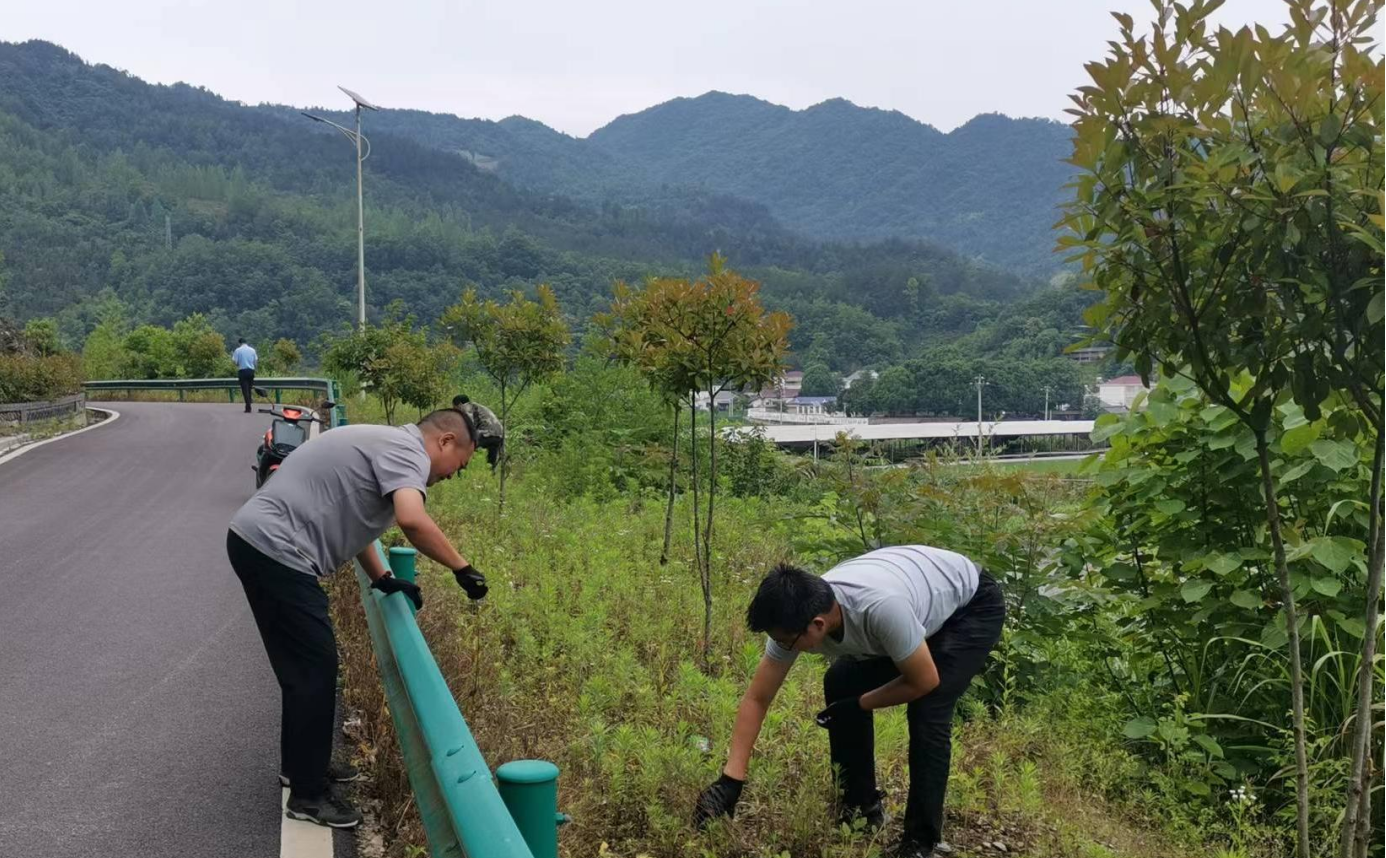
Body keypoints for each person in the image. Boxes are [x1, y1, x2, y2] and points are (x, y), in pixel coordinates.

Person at [226, 397, 504, 828]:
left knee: (305, 671)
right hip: (278, 551)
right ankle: (308, 797)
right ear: (446, 440)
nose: (453, 475)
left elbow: (354, 522)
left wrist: (382, 578)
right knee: (315, 671)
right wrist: (462, 568)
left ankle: (301, 767)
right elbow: (413, 519)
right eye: (460, 464)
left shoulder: (387, 444)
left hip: (261, 543)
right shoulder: (408, 452)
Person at [694, 546, 1005, 858]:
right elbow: (758, 698)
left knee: (928, 708)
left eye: (786, 641)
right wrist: (730, 780)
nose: (781, 647)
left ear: (817, 625)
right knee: (840, 681)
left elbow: (923, 680)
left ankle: (921, 843)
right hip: (914, 604)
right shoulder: (796, 616)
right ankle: (861, 809)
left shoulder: (880, 609)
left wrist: (860, 705)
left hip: (969, 606)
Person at [232, 337, 258, 413]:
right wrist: (254, 370)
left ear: (239, 343)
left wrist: (239, 363)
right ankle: (249, 402)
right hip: (251, 371)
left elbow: (235, 362)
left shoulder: (237, 350)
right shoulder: (252, 350)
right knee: (249, 388)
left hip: (242, 371)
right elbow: (255, 361)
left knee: (245, 390)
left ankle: (248, 407)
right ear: (246, 342)